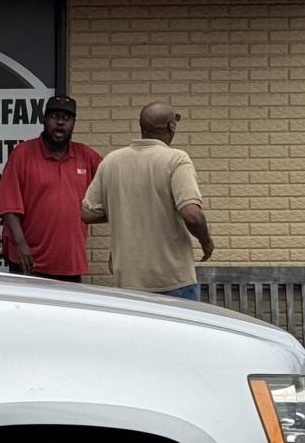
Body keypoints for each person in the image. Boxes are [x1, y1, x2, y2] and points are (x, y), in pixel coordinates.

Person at [80, 102, 214, 299]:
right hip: (173, 281)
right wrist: (206, 243)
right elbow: (192, 215)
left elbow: (87, 213)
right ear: (171, 127)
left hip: (128, 282)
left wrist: (125, 208)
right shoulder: (176, 159)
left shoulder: (112, 160)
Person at [0, 94, 101, 281]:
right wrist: (20, 244)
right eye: (54, 116)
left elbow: (111, 183)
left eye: (66, 118)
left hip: (69, 262)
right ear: (44, 119)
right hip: (28, 261)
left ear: (74, 123)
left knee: (70, 311)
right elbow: (8, 206)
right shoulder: (23, 154)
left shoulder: (86, 156)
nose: (60, 122)